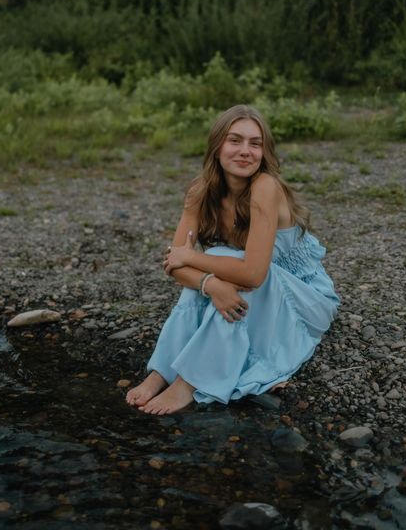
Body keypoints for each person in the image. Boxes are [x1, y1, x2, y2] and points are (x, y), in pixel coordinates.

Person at [126, 104, 340, 415]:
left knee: (217, 258)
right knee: (218, 264)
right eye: (235, 140)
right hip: (248, 286)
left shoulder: (266, 187)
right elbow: (175, 264)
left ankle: (188, 382)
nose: (245, 151)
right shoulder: (200, 191)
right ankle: (161, 373)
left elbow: (253, 273)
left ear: (264, 152)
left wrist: (195, 260)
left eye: (255, 143)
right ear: (217, 146)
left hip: (304, 300)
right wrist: (211, 285)